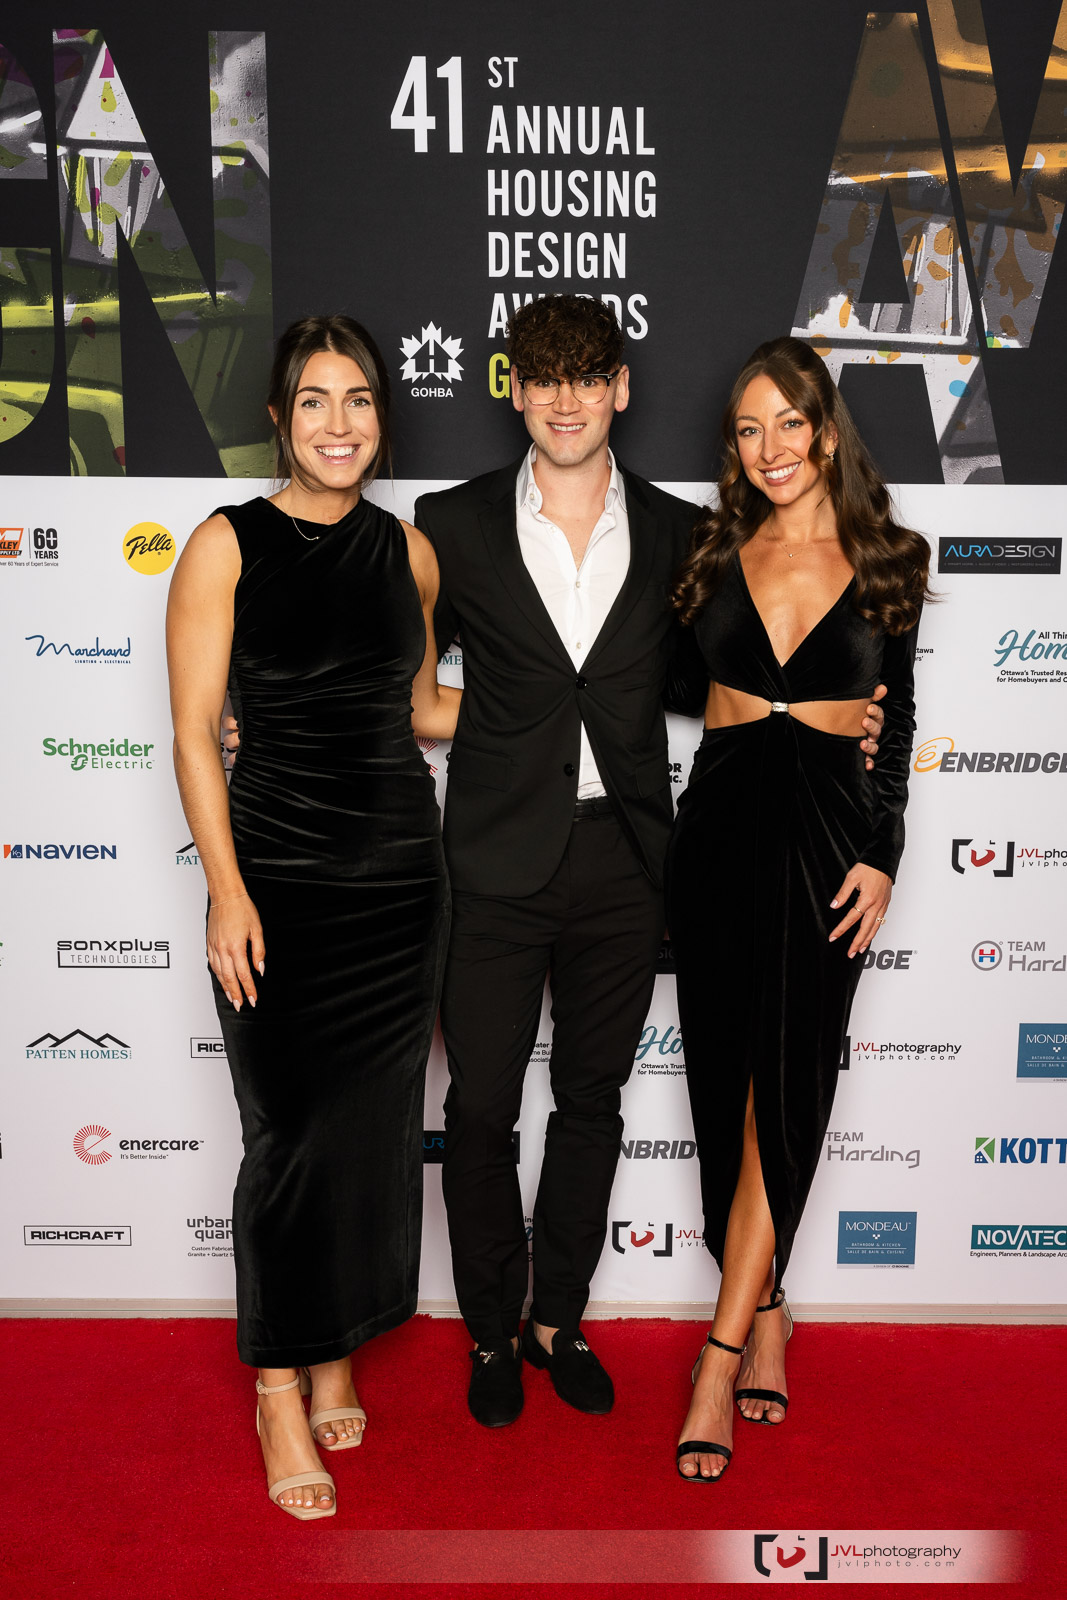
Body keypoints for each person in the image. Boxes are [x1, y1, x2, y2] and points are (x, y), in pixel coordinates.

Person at [413, 300, 887, 1429]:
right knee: (478, 1108)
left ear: (619, 388)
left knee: (592, 1101)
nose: (565, 400)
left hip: (628, 861)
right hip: (493, 857)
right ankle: (490, 1328)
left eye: (587, 377)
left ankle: (556, 1319)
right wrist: (271, 717)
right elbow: (409, 691)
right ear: (514, 390)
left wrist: (844, 720)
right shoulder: (448, 523)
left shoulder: (688, 536)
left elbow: (726, 672)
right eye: (542, 378)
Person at [166, 315, 458, 1520]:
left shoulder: (410, 553)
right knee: (286, 1135)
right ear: (280, 418)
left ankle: (337, 1344)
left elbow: (420, 709)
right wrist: (227, 889)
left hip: (399, 881)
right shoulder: (223, 545)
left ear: (381, 418)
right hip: (277, 881)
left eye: (359, 400)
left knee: (372, 1132)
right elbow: (194, 733)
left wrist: (564, 698)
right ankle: (279, 1384)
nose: (339, 424)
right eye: (314, 401)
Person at [666, 336, 929, 1482]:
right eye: (746, 428)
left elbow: (894, 719)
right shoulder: (709, 550)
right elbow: (650, 682)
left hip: (827, 837)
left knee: (788, 1083)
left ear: (824, 429)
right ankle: (769, 1309)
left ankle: (718, 1357)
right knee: (722, 1088)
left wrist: (882, 852)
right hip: (716, 831)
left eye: (787, 422)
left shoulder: (889, 557)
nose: (768, 447)